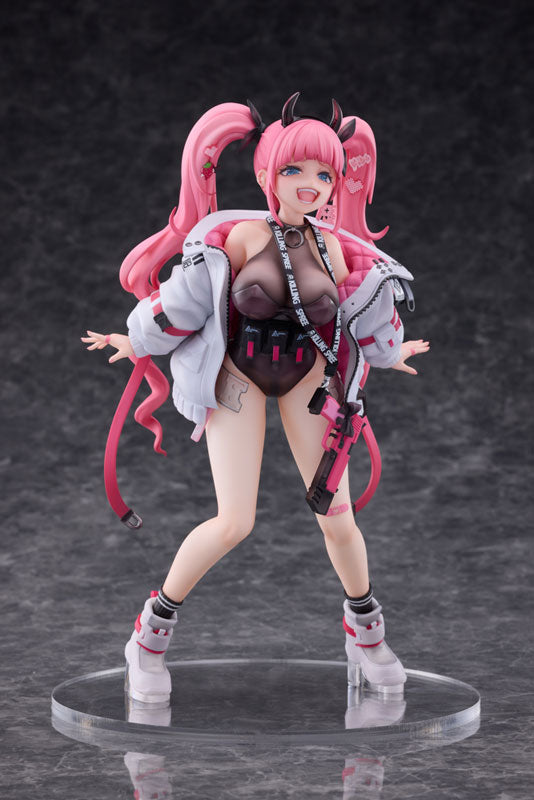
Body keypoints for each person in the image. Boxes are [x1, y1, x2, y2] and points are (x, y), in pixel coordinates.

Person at [82, 94, 429, 704]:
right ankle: (149, 637)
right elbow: (184, 302)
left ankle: (366, 634)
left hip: (310, 381)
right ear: (268, 172)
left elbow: (362, 312)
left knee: (338, 518)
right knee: (233, 521)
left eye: (324, 173)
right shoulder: (240, 237)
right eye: (294, 170)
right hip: (237, 377)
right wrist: (136, 338)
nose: (310, 184)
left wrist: (388, 351)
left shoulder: (337, 248)